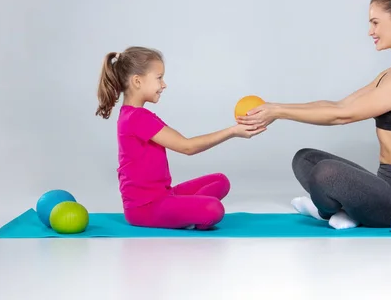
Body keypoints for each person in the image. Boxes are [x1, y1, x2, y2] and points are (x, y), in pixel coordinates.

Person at [237, 0, 391, 230]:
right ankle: (349, 209)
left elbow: (343, 116)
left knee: (325, 173)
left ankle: (327, 211)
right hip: (383, 186)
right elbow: (340, 105)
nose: (370, 31)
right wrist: (274, 108)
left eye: (375, 22)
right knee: (305, 159)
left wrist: (278, 111)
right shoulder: (390, 75)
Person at [96, 46, 265, 230]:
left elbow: (185, 144)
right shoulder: (137, 118)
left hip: (164, 196)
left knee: (220, 181)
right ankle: (194, 215)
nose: (164, 84)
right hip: (145, 209)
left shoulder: (136, 115)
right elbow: (187, 147)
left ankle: (188, 214)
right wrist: (232, 131)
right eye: (159, 78)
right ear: (137, 81)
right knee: (214, 209)